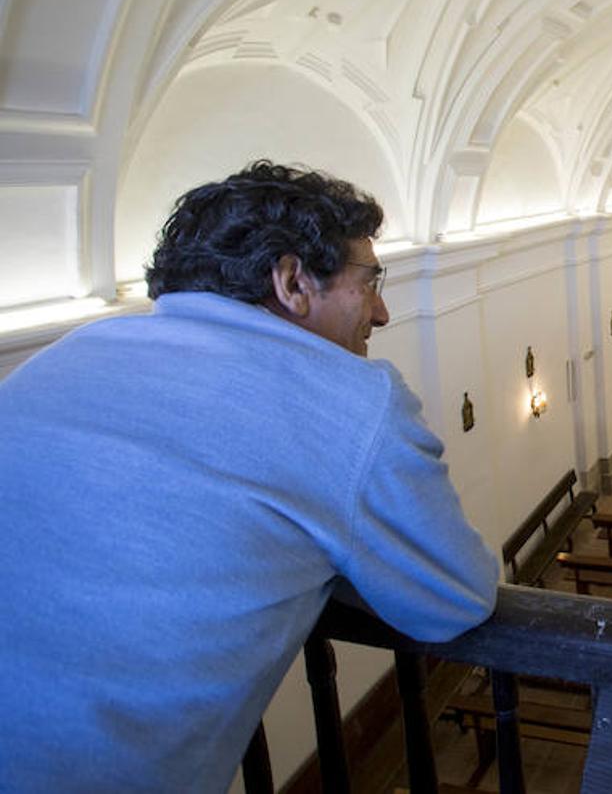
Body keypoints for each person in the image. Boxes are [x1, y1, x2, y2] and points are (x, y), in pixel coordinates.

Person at [0, 161, 500, 793]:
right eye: (371, 282)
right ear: (292, 281)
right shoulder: (352, 399)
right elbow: (457, 596)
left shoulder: (61, 357)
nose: (381, 312)